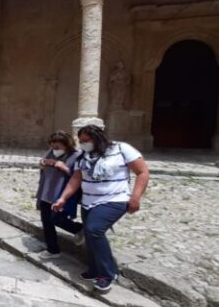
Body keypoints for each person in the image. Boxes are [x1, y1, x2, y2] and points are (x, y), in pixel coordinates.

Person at [53, 125, 150, 292]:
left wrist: (135, 198)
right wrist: (63, 198)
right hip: (89, 201)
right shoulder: (84, 156)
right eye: (81, 141)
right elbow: (75, 179)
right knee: (90, 237)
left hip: (115, 199)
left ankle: (107, 273)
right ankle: (95, 269)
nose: (83, 144)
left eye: (86, 141)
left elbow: (142, 172)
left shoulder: (121, 149)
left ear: (98, 138)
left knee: (94, 230)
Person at [36, 131, 83, 260]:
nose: (54, 150)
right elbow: (43, 165)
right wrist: (43, 164)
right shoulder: (51, 152)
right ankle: (53, 250)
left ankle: (81, 229)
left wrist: (62, 167)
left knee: (58, 219)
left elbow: (78, 176)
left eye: (57, 147)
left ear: (66, 145)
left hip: (62, 194)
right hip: (46, 192)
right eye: (52, 146)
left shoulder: (76, 156)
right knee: (47, 222)